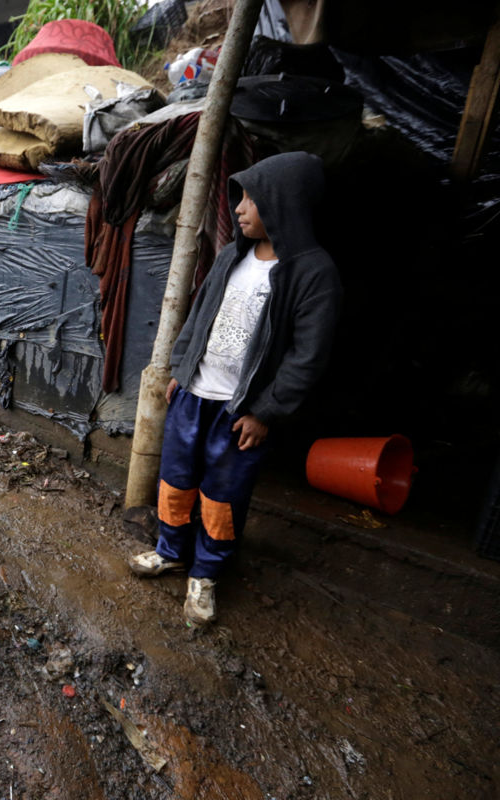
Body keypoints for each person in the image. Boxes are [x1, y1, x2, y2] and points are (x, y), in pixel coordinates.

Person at [127, 151, 342, 626]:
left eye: (252, 199)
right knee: (176, 479)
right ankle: (171, 550)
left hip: (239, 410)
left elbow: (307, 356)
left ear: (285, 204)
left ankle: (206, 573)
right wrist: (181, 368)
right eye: (240, 198)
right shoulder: (232, 255)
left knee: (223, 494)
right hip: (194, 395)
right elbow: (200, 312)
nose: (240, 209)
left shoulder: (312, 274)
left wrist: (266, 411)